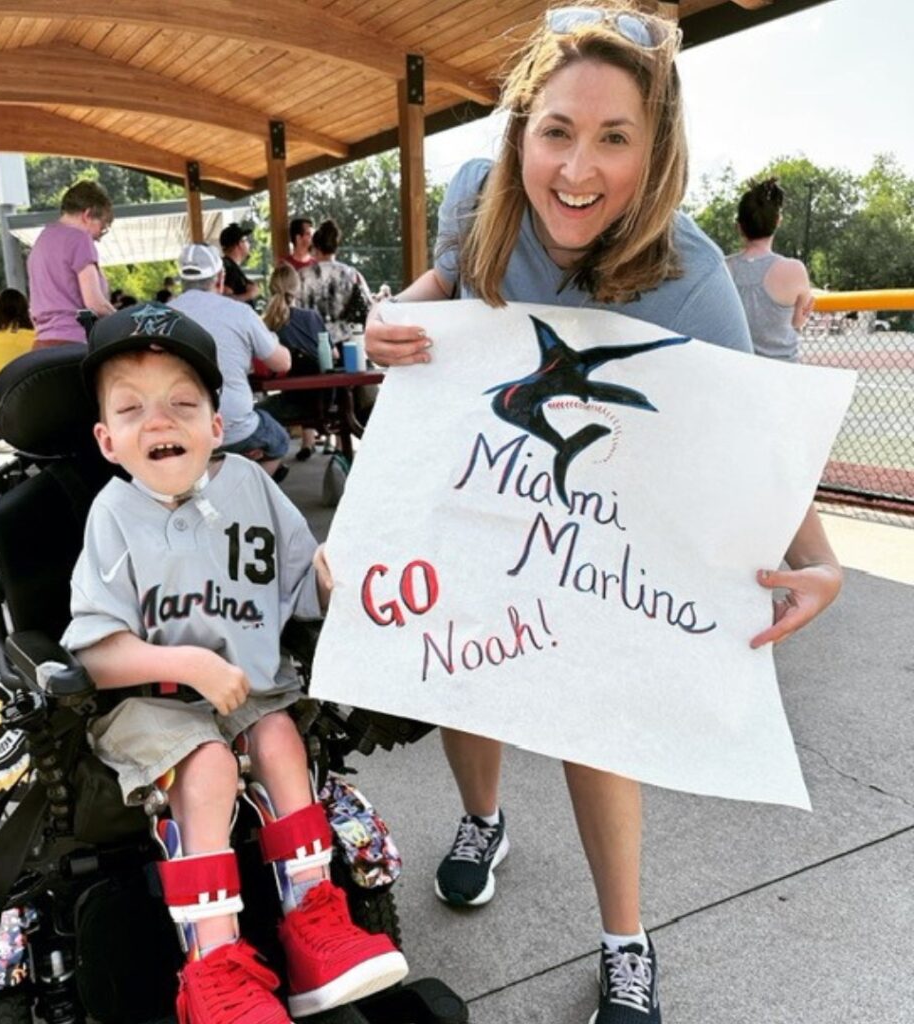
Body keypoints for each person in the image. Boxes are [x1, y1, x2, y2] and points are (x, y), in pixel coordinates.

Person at [362, 5, 843, 1023]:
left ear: (656, 148)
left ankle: (626, 936)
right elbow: (445, 285)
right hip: (485, 478)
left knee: (596, 712)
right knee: (467, 677)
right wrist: (394, 315)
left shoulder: (692, 275)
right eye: (556, 131)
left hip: (601, 512)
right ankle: (481, 819)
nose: (576, 169)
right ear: (520, 133)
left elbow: (751, 434)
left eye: (613, 138)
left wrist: (820, 554)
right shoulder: (476, 196)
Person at [62, 303, 408, 1023]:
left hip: (251, 691)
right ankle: (213, 966)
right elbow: (98, 653)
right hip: (150, 702)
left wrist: (356, 578)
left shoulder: (249, 488)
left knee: (281, 738)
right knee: (212, 765)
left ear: (217, 426)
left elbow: (304, 575)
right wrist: (189, 663)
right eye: (132, 410)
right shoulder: (112, 515)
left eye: (182, 404)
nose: (159, 423)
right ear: (106, 439)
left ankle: (313, 919)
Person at [168, 243, 293, 479]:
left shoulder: (162, 317)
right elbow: (282, 363)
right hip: (236, 430)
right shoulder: (240, 312)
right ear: (220, 277)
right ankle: (250, 489)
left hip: (182, 430)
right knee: (278, 441)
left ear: (180, 280)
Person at [726, 177, 814, 362]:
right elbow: (798, 323)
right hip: (782, 374)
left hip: (735, 372)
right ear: (778, 221)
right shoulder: (794, 270)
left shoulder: (721, 269)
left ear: (739, 227)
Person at [27, 180, 116, 347]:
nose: (98, 237)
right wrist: (123, 321)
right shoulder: (79, 239)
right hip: (74, 342)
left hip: (42, 344)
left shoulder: (42, 240)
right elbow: (94, 302)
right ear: (87, 215)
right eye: (102, 227)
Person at [259, 264, 328, 460]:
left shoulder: (267, 325)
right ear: (297, 289)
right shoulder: (313, 317)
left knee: (251, 414)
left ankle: (272, 463)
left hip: (293, 401)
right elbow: (333, 355)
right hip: (325, 400)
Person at [299, 219, 373, 351]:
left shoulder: (302, 276)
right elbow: (368, 304)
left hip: (311, 343)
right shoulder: (351, 274)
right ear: (335, 246)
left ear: (316, 247)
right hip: (347, 343)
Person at [219, 223, 260, 306]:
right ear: (239, 244)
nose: (249, 244)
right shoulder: (229, 268)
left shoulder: (230, 266)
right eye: (246, 240)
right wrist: (249, 295)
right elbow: (225, 300)